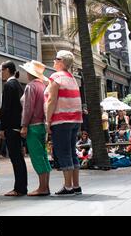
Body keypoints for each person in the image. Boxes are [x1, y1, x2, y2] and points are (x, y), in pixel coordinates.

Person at [45, 50, 83, 196]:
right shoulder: (71, 77)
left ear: (61, 61)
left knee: (63, 152)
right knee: (72, 151)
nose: (53, 61)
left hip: (61, 120)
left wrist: (47, 121)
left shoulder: (56, 77)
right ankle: (76, 185)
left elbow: (51, 100)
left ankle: (67, 187)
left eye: (56, 59)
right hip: (75, 119)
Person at [19, 60, 51, 197]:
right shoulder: (43, 86)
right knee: (43, 156)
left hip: (33, 125)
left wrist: (24, 125)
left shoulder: (31, 87)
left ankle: (42, 187)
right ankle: (45, 186)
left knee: (37, 157)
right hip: (42, 125)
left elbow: (28, 108)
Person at [0, 61, 27, 197]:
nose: (0, 73)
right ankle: (21, 187)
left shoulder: (9, 85)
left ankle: (19, 188)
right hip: (18, 125)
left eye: (2, 70)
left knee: (16, 158)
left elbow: (6, 108)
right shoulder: (18, 85)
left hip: (11, 126)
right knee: (18, 158)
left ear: (8, 70)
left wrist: (2, 127)